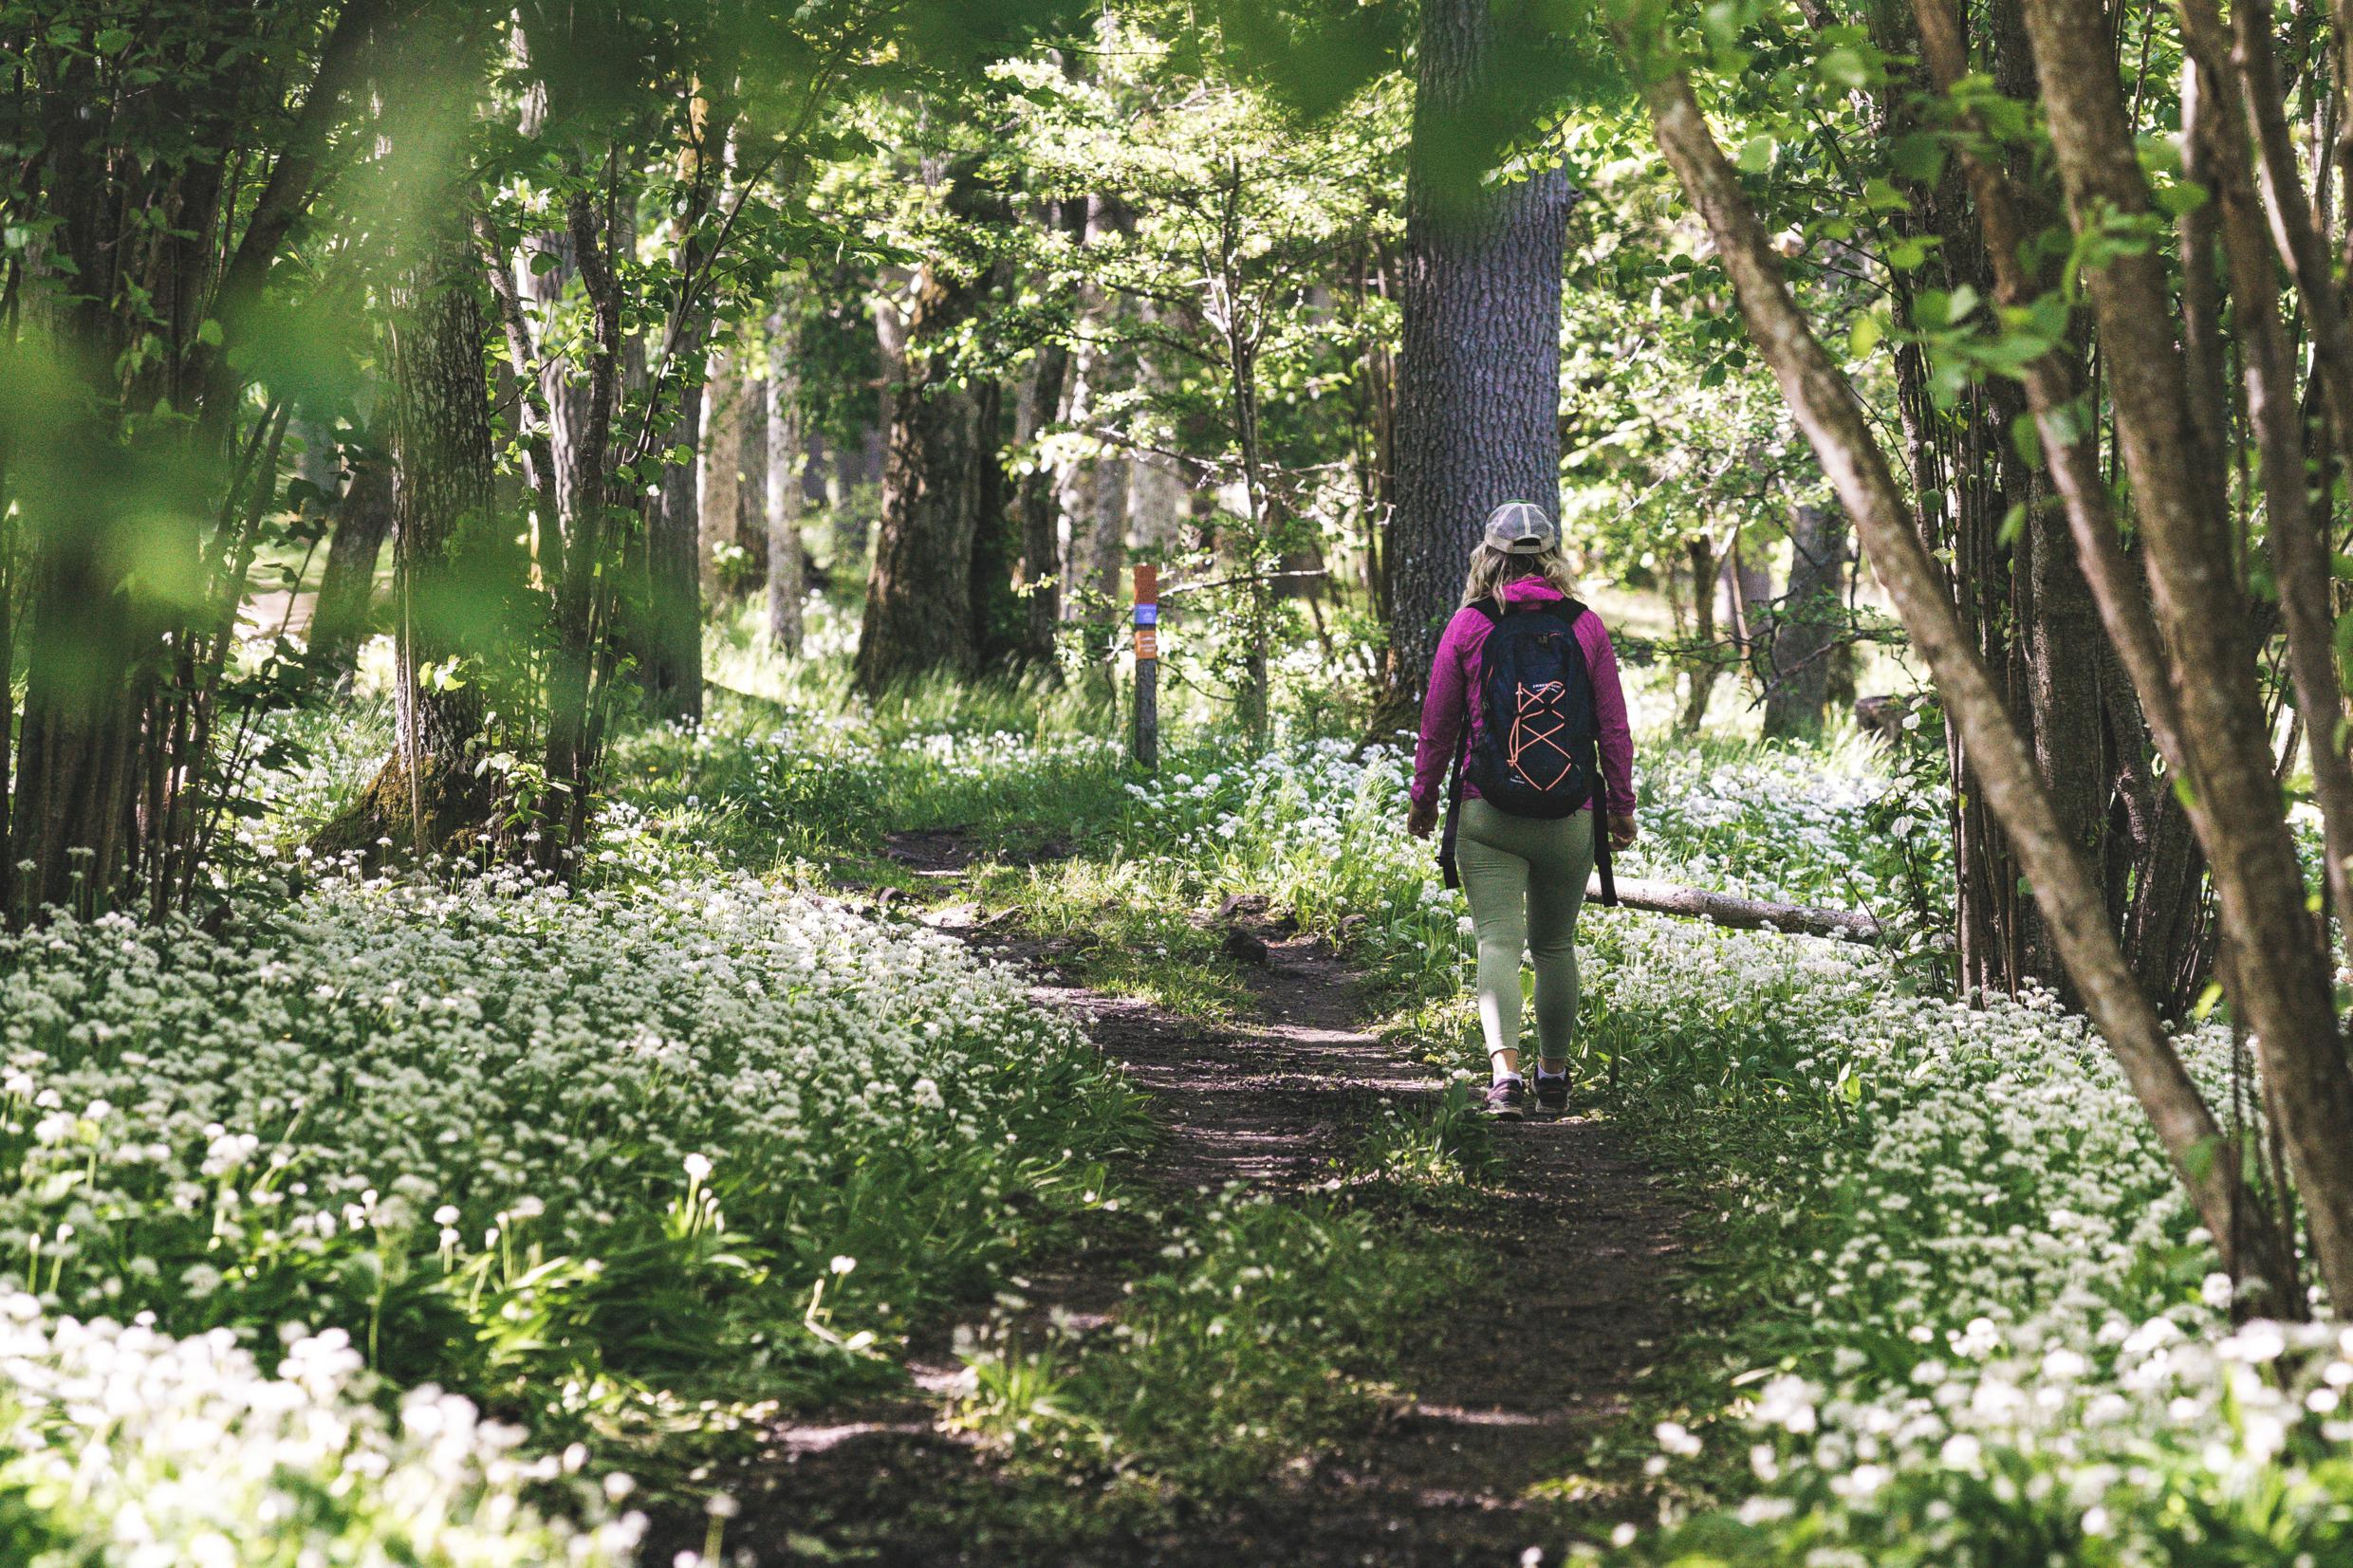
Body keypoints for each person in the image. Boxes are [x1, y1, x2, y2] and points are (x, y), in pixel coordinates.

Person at [1406, 502, 1637, 1119]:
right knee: (1556, 945)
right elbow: (1613, 727)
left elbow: (1437, 726)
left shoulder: (1470, 625)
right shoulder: (1585, 626)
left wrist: (1423, 799)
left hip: (1489, 812)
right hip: (1570, 815)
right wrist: (1620, 808)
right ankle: (1554, 1077)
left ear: (1489, 557)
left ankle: (1505, 1076)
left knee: (1498, 942)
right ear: (1551, 558)